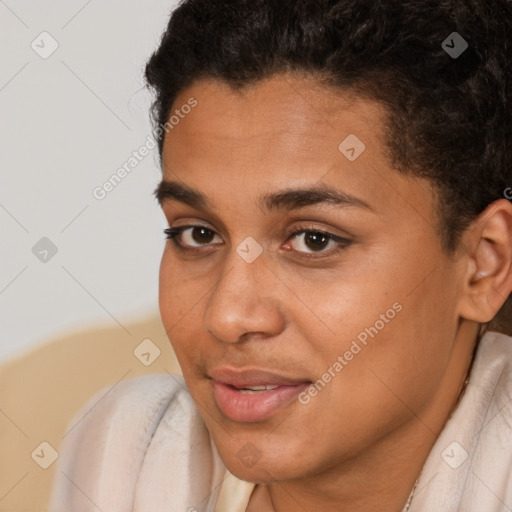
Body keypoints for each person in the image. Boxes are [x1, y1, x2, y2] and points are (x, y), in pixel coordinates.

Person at [48, 0, 512, 510]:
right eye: (198, 234)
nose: (226, 317)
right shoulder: (126, 457)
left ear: (483, 265)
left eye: (315, 239)